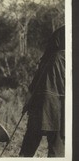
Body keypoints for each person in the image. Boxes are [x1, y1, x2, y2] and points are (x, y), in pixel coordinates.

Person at [19, 26, 65, 157]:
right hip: (57, 111)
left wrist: (27, 104)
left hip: (38, 108)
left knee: (28, 148)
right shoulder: (65, 58)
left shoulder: (47, 58)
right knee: (57, 150)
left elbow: (32, 86)